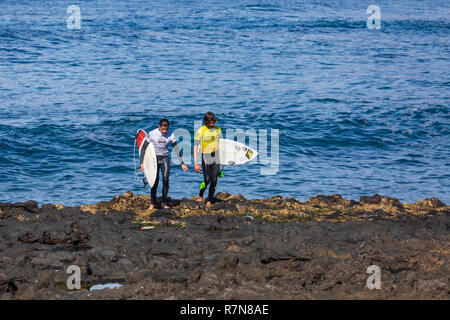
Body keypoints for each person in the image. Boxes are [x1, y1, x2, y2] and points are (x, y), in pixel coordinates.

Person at [140, 119, 188, 209]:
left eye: (166, 129)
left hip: (164, 158)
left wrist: (182, 163)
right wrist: (142, 163)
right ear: (159, 126)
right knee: (155, 182)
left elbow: (176, 148)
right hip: (154, 159)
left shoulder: (171, 135)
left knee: (165, 180)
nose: (164, 131)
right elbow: (143, 147)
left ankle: (164, 202)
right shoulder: (152, 133)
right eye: (163, 129)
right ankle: (153, 202)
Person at [193, 112, 222, 207]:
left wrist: (225, 159)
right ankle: (201, 195)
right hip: (205, 156)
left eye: (213, 121)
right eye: (209, 122)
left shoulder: (218, 129)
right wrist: (196, 163)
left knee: (214, 180)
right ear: (205, 121)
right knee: (207, 179)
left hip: (216, 156)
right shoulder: (200, 131)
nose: (212, 123)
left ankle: (209, 199)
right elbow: (195, 147)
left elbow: (222, 144)